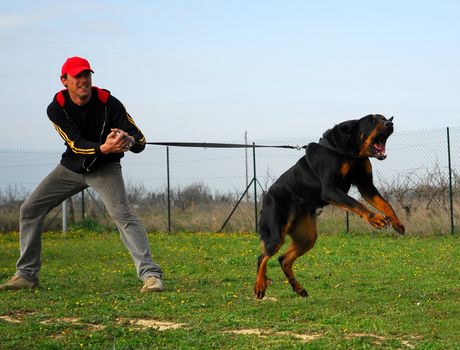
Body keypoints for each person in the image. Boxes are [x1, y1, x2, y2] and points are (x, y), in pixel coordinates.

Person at [0, 56, 163, 293]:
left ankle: (151, 276)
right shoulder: (56, 108)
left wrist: (127, 140)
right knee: (29, 209)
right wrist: (104, 147)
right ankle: (26, 275)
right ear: (64, 80)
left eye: (86, 75)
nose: (83, 80)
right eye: (77, 76)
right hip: (72, 167)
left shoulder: (109, 102)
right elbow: (76, 144)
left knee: (123, 215)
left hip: (105, 169)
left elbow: (140, 140)